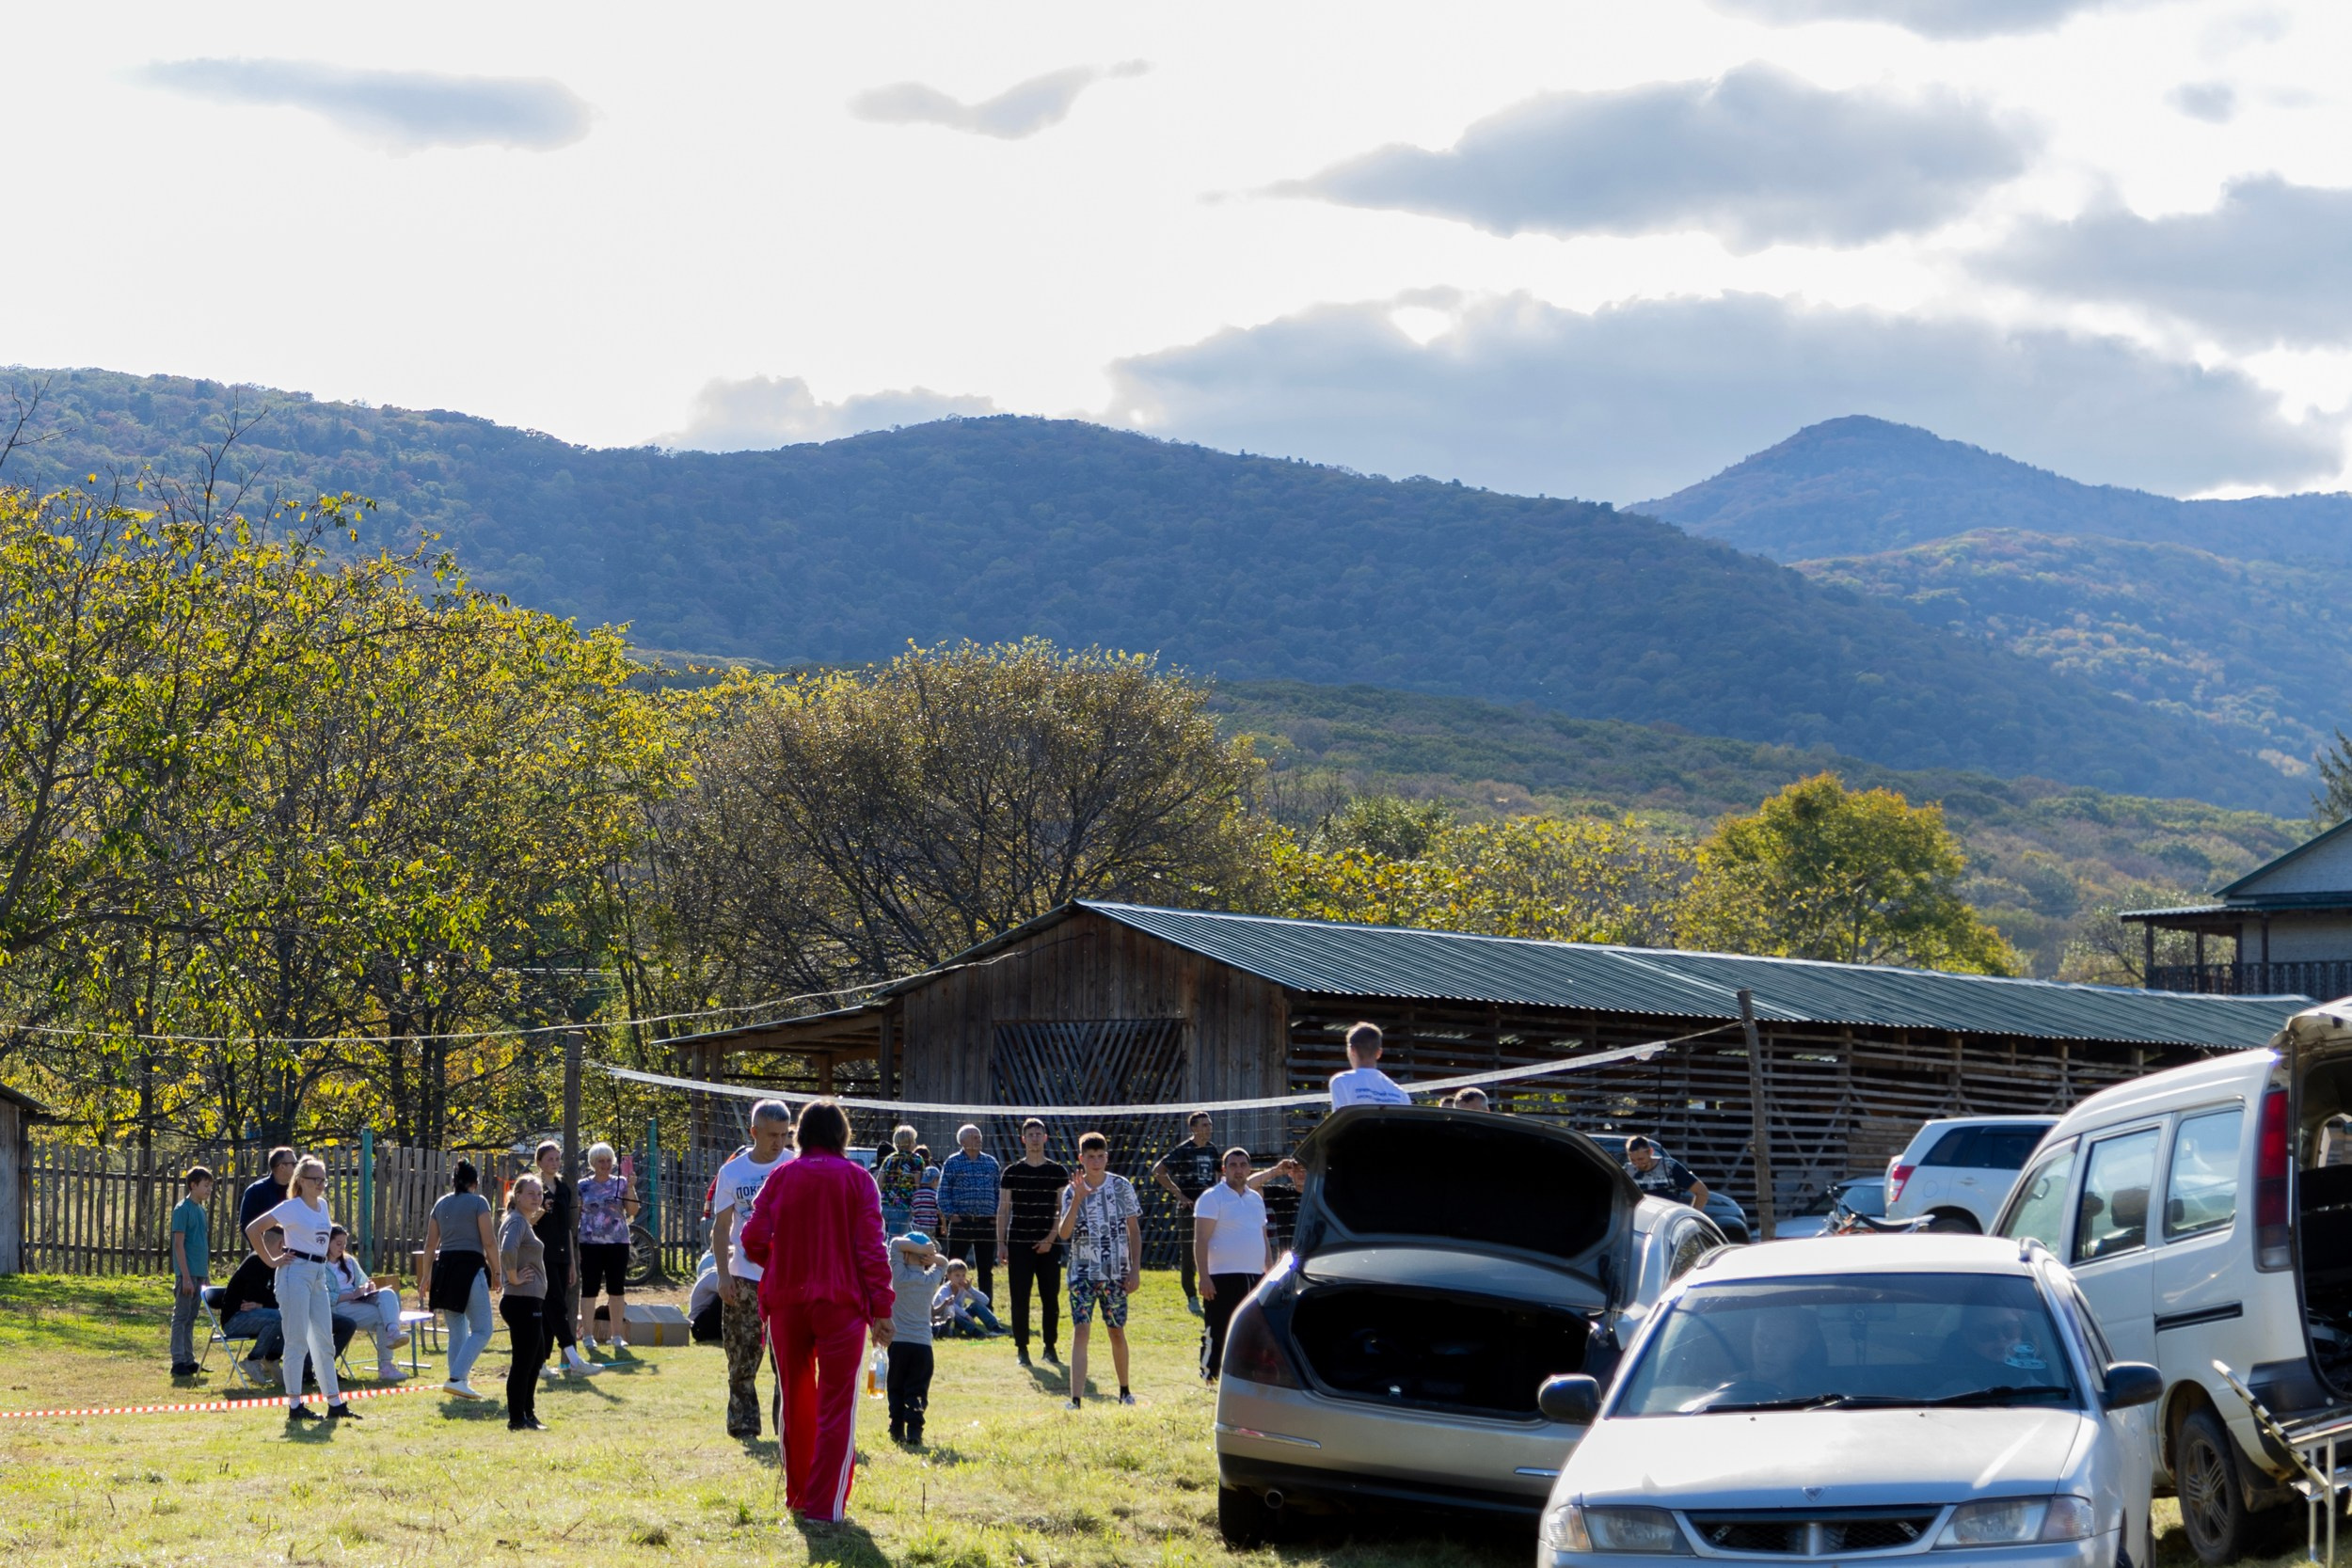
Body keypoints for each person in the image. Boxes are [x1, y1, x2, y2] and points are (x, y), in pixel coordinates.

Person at [739, 1099, 895, 1527]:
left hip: (788, 1303)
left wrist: (781, 1261)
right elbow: (871, 1249)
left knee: (796, 1401)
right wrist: (883, 1308)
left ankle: (799, 1497)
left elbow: (752, 1237)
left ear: (800, 1135)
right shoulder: (859, 1180)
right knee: (835, 1406)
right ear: (843, 1135)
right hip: (841, 1304)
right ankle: (826, 1508)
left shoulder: (781, 1176)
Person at [246, 1155, 358, 1422]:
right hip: (294, 1274)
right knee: (296, 1341)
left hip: (319, 1273)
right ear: (301, 1181)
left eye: (324, 1180)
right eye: (315, 1179)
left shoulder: (322, 1206)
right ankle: (295, 1406)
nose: (321, 1184)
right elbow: (254, 1229)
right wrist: (270, 1260)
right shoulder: (291, 1207)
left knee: (324, 1341)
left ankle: (334, 1402)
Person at [712, 1099, 797, 1438]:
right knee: (742, 1356)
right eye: (771, 1135)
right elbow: (720, 1228)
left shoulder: (795, 1166)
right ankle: (743, 1425)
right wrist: (722, 1275)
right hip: (744, 1276)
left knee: (788, 1360)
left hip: (787, 1278)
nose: (778, 1142)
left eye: (784, 1134)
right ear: (754, 1132)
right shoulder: (732, 1172)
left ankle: (786, 1425)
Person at [1054, 1131, 1142, 1409]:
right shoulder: (1072, 1189)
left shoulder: (1121, 1186)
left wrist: (1135, 1269)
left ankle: (1125, 1391)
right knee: (1081, 1330)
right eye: (1090, 1157)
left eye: (1100, 1156)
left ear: (1107, 1157)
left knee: (1116, 1331)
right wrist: (1078, 1198)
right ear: (1081, 1158)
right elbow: (1064, 1234)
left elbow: (1134, 1231)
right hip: (1082, 1272)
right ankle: (1076, 1399)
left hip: (1115, 1271)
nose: (1096, 1161)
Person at [1194, 1149, 1299, 1380]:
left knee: (1252, 1329)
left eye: (1243, 1165)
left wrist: (1268, 1273)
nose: (1238, 1169)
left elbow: (1262, 1238)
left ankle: (1243, 1377)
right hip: (1222, 1276)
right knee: (1219, 1328)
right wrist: (1204, 1276)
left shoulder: (1255, 1199)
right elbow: (1201, 1239)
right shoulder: (1212, 1197)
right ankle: (1209, 1376)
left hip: (1253, 1276)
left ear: (1249, 1168)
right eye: (1233, 1165)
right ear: (1224, 1169)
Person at [219, 1229, 357, 1383]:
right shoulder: (255, 1262)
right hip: (236, 1319)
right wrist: (268, 1302)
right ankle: (253, 1359)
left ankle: (272, 1359)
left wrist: (266, 1303)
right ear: (281, 1245)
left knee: (292, 1315)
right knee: (284, 1315)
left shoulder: (278, 1265)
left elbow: (279, 1298)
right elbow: (256, 1299)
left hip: (261, 1315)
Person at [421, 1159, 502, 1400]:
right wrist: (497, 1272)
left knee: (457, 1331)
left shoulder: (441, 1204)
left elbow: (430, 1244)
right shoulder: (479, 1202)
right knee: (482, 1329)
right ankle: (456, 1378)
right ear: (474, 1183)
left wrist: (427, 1275)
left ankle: (458, 1386)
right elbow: (488, 1241)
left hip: (444, 1269)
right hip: (469, 1268)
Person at [996, 1117, 1068, 1368]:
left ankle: (1050, 1347)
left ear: (1045, 1138)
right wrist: (1001, 1243)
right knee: (1020, 1296)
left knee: (1051, 1296)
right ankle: (1022, 1349)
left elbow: (1062, 1209)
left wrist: (1050, 1238)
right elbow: (1003, 1210)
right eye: (1031, 1134)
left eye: (1040, 1134)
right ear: (1024, 1139)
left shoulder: (1057, 1171)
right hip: (1018, 1242)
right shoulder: (1012, 1172)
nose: (1036, 1138)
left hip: (1049, 1243)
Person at [532, 1140, 600, 1380]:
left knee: (551, 1312)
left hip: (561, 1255)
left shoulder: (563, 1188)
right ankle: (573, 1358)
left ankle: (540, 1363)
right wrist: (540, 1208)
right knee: (556, 1306)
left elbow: (568, 1229)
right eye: (549, 1158)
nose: (554, 1163)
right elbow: (526, 1221)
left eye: (557, 1158)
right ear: (539, 1162)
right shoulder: (533, 1188)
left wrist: (572, 1262)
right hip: (541, 1256)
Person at [1151, 1113, 1222, 1314]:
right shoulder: (1183, 1150)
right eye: (1204, 1125)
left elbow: (1220, 1174)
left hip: (1210, 1210)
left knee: (1214, 1250)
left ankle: (1214, 1292)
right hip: (1189, 1210)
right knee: (1189, 1254)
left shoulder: (1212, 1149)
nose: (1208, 1128)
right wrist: (1180, 1196)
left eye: (1210, 1124)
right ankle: (1191, 1296)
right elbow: (1158, 1171)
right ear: (1194, 1128)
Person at [500, 1175, 553, 1430]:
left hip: (529, 1300)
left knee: (536, 1357)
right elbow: (507, 1249)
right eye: (530, 1193)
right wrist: (513, 1277)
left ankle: (528, 1414)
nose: (536, 1197)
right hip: (521, 1300)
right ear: (517, 1195)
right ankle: (516, 1418)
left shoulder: (524, 1222)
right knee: (524, 1361)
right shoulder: (517, 1222)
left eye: (539, 1193)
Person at [325, 1224, 409, 1381]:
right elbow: (325, 1297)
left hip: (359, 1300)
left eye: (344, 1244)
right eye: (338, 1244)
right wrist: (352, 1295)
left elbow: (363, 1281)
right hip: (339, 1307)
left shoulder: (349, 1261)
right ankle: (386, 1366)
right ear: (327, 1242)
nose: (341, 1247)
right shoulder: (320, 1266)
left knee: (387, 1293)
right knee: (382, 1316)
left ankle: (393, 1331)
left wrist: (367, 1287)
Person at [576, 1142, 638, 1354]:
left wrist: (630, 1187)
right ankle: (588, 1335)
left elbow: (632, 1210)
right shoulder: (582, 1185)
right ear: (593, 1163)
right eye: (600, 1161)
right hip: (590, 1243)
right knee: (590, 1289)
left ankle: (617, 1336)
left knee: (616, 1289)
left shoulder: (621, 1183)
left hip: (618, 1242)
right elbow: (576, 1214)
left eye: (608, 1160)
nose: (605, 1164)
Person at [887, 1232, 946, 1445]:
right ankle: (914, 1431)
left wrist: (918, 1251)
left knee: (896, 1386)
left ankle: (896, 1427)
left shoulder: (898, 1277)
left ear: (905, 1256)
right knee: (917, 1388)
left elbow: (894, 1244)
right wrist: (932, 1257)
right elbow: (945, 1263)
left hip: (898, 1343)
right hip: (922, 1346)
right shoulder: (930, 1280)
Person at [938, 1123, 1001, 1305]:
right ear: (963, 1141)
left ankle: (987, 1309)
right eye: (974, 1136)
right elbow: (943, 1193)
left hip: (986, 1223)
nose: (978, 1139)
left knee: (985, 1269)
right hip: (962, 1222)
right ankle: (946, 1307)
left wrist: (995, 1215)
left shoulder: (991, 1163)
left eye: (979, 1136)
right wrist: (952, 1216)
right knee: (953, 1267)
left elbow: (998, 1192)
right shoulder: (953, 1162)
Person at [168, 1165, 215, 1376]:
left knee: (192, 1316)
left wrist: (205, 1275)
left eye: (210, 1186)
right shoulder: (182, 1209)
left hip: (199, 1272)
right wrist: (185, 1276)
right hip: (186, 1273)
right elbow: (179, 1245)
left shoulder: (201, 1210)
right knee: (181, 1316)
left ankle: (189, 1359)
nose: (208, 1190)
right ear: (193, 1185)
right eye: (205, 1185)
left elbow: (201, 1244)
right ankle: (178, 1361)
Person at [1328, 1022, 1413, 1107]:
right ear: (1379, 1053)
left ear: (1352, 1051)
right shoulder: (1401, 1095)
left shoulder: (1341, 1082)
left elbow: (1341, 1118)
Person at [1623, 1136, 1711, 1211]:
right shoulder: (1627, 1170)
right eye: (1633, 1160)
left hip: (1667, 1219)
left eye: (1641, 1159)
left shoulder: (1670, 1167)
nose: (1637, 1164)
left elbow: (1702, 1192)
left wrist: (1693, 1217)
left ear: (1650, 1152)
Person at [931, 1259, 1006, 1338]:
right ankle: (974, 1332)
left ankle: (996, 1328)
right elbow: (952, 1306)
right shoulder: (944, 1290)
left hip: (961, 1319)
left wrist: (970, 1289)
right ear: (949, 1276)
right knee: (953, 1314)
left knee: (976, 1305)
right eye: (957, 1275)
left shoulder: (963, 1288)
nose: (961, 1278)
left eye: (963, 1275)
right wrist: (967, 1316)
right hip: (944, 1322)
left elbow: (985, 1301)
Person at [876, 1125, 924, 1234]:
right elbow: (918, 1186)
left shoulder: (889, 1158)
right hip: (903, 1206)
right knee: (895, 1242)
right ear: (911, 1141)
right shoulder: (916, 1159)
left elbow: (879, 1182)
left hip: (885, 1205)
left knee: (908, 1237)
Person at [238, 1147, 296, 1232]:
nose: (298, 1167)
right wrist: (263, 1245)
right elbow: (246, 1225)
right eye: (294, 1164)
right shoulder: (256, 1191)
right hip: (265, 1244)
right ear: (282, 1167)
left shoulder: (298, 1191)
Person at [911, 1165, 943, 1238]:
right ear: (935, 1180)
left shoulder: (916, 1194)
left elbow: (913, 1211)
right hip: (930, 1226)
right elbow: (940, 1211)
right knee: (930, 1244)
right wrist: (943, 1226)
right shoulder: (935, 1194)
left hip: (916, 1226)